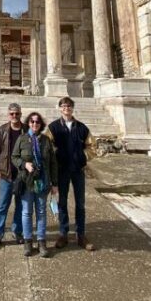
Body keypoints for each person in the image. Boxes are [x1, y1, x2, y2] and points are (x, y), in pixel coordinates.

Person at [47, 96, 96, 251]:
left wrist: (82, 157)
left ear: (72, 108)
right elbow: (47, 147)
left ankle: (81, 235)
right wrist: (56, 158)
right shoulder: (53, 127)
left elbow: (92, 146)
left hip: (77, 170)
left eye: (68, 106)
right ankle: (63, 233)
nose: (66, 108)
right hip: (62, 170)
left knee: (80, 203)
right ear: (60, 108)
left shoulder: (82, 128)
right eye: (63, 106)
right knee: (62, 202)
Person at [11, 111, 58, 257]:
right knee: (26, 212)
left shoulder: (46, 140)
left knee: (42, 212)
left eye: (37, 122)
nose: (35, 124)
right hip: (26, 181)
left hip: (42, 181)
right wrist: (24, 164)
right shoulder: (22, 138)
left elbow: (53, 163)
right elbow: (14, 157)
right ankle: (27, 241)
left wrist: (55, 184)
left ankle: (42, 242)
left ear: (41, 124)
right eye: (32, 121)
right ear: (28, 123)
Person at [0, 102, 28, 249]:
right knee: (2, 205)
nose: (14, 116)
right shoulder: (3, 130)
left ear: (20, 114)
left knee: (20, 206)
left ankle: (17, 231)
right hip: (6, 174)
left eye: (17, 113)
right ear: (8, 115)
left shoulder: (27, 130)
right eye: (12, 113)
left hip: (22, 175)